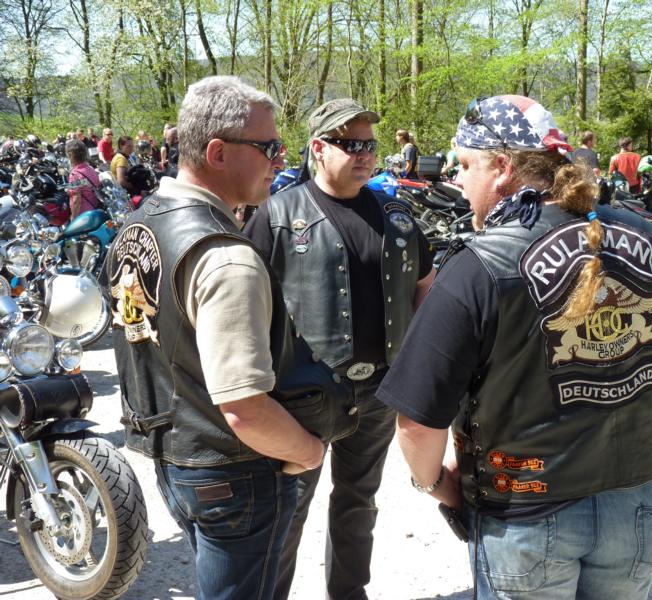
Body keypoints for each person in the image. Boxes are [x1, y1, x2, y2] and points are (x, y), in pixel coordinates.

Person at [376, 95, 652, 599]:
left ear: (502, 167)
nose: (458, 181)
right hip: (635, 505)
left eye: (465, 165)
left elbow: (417, 420)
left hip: (525, 516)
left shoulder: (478, 266)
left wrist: (435, 485)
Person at [106, 75, 331, 600]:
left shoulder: (137, 226)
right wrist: (308, 451)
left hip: (178, 460)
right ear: (217, 152)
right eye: (269, 147)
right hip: (234, 471)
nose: (280, 159)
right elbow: (245, 408)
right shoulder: (226, 257)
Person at [245, 98, 435, 600]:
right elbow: (244, 300)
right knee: (288, 506)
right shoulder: (277, 214)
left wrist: (418, 363)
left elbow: (425, 284)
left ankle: (349, 594)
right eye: (350, 144)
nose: (364, 154)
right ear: (318, 148)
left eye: (369, 144)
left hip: (379, 391)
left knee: (359, 501)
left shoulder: (397, 214)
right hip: (302, 395)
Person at [65, 139, 102, 220]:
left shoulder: (74, 174)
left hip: (84, 216)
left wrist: (74, 219)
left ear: (70, 155)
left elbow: (76, 200)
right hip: (95, 210)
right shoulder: (91, 169)